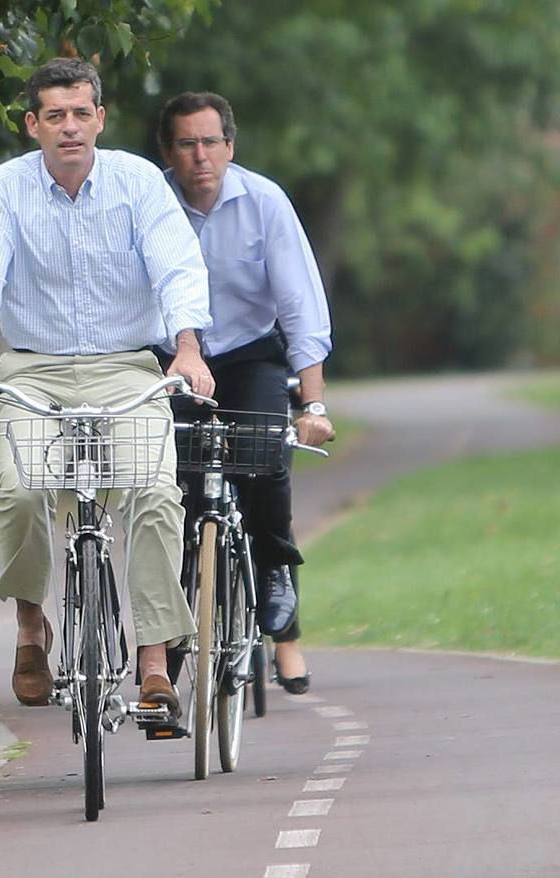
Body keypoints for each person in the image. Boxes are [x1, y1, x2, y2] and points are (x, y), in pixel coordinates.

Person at [0, 59, 215, 716]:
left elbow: (176, 265)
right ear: (33, 124)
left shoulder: (138, 184)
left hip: (126, 366)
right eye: (55, 116)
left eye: (81, 113)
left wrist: (186, 348)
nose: (70, 128)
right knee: (19, 490)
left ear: (100, 118)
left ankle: (153, 661)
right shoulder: (5, 189)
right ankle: (32, 624)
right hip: (32, 368)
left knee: (153, 492)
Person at [156, 92, 333, 694]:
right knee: (165, 490)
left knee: (265, 461)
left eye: (211, 142)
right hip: (171, 359)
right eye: (186, 143)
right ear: (168, 152)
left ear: (230, 147)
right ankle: (169, 639)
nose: (200, 156)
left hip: (249, 353)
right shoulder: (148, 202)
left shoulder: (264, 202)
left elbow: (300, 305)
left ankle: (280, 596)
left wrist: (312, 404)